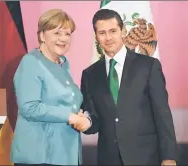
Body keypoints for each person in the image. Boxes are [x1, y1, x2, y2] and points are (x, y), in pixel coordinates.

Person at [75, 9, 177, 165]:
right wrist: (84, 123)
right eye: (102, 33)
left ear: (122, 31)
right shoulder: (90, 74)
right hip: (108, 159)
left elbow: (162, 113)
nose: (108, 38)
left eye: (113, 31)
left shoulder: (148, 66)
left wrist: (169, 157)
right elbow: (94, 122)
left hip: (146, 158)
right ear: (96, 36)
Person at [10, 9, 89, 166]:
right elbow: (29, 107)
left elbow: (71, 103)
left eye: (67, 34)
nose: (63, 39)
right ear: (42, 36)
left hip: (65, 154)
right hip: (40, 156)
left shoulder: (63, 64)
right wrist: (70, 116)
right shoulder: (31, 62)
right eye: (57, 33)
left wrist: (83, 116)